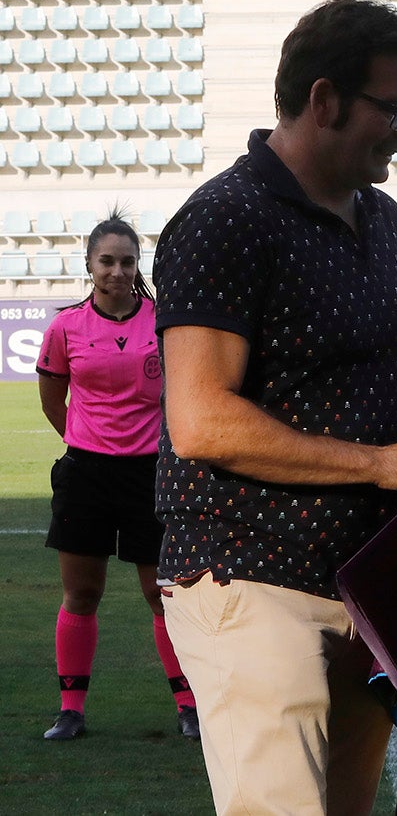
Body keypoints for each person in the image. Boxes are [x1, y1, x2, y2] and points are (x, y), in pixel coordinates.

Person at [152, 0, 397, 816]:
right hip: (251, 576)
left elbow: (379, 374)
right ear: (327, 99)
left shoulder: (384, 217)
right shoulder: (223, 220)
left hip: (365, 583)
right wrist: (381, 464)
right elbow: (200, 419)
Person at [35, 212, 199, 742]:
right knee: (81, 594)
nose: (117, 270)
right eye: (107, 260)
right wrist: (88, 441)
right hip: (86, 474)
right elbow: (52, 400)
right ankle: (71, 710)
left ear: (138, 265)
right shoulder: (65, 327)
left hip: (152, 475)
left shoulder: (162, 321)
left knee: (162, 594)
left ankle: (187, 705)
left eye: (127, 261)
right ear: (89, 265)